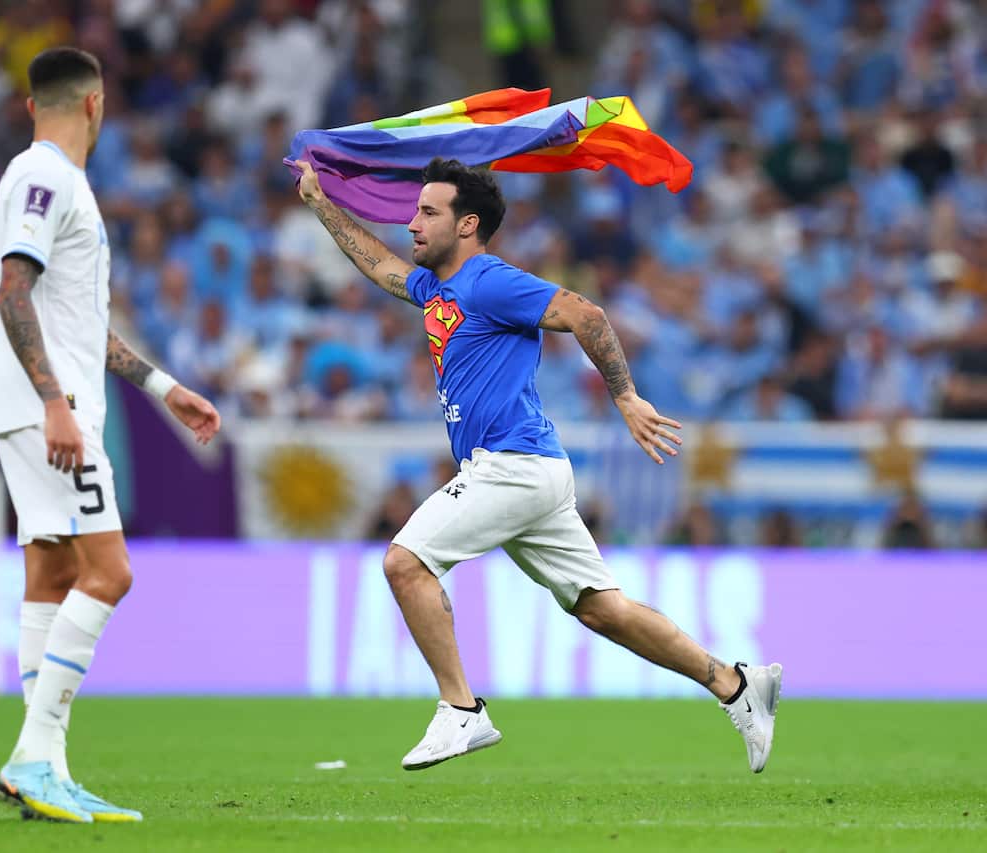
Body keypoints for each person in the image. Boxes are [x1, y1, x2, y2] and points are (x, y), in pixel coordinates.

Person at [293, 157, 783, 774]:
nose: (412, 223)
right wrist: (321, 203)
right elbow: (378, 264)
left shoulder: (490, 281)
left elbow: (587, 315)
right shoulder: (436, 288)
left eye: (428, 212)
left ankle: (461, 709)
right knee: (602, 608)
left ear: (467, 225)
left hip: (513, 466)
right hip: (535, 470)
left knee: (405, 562)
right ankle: (736, 685)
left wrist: (625, 396)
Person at [0, 47, 221, 823]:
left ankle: (46, 768)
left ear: (34, 105)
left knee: (53, 574)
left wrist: (161, 387)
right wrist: (55, 402)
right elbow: (12, 291)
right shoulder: (45, 178)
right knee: (110, 572)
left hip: (41, 404)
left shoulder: (52, 180)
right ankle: (32, 755)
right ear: (96, 106)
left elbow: (80, 324)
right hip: (53, 411)